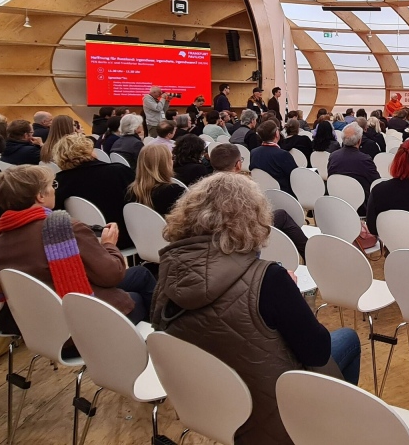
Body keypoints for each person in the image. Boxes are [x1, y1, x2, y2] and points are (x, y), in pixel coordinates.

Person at [153, 173, 362, 444]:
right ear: (253, 220)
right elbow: (317, 351)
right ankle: (334, 429)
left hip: (213, 405)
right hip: (275, 413)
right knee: (348, 339)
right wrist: (296, 298)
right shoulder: (269, 280)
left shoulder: (168, 271)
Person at [0, 165, 155, 328]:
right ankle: (157, 340)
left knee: (140, 274)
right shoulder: (62, 228)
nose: (54, 190)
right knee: (137, 295)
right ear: (40, 196)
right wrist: (109, 245)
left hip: (38, 324)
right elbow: (111, 275)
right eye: (52, 185)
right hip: (82, 324)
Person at [53, 134, 137, 249]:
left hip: (83, 243)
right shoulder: (118, 171)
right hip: (126, 236)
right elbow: (138, 203)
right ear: (89, 151)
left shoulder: (58, 182)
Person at [327, 123, 381, 213]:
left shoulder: (333, 156)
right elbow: (376, 182)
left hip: (338, 202)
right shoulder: (365, 159)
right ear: (359, 141)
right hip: (361, 206)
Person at [126, 143, 186, 216]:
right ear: (165, 164)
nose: (173, 162)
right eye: (171, 158)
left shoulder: (131, 192)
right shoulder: (175, 192)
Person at [251, 121, 299, 196]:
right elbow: (295, 176)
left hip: (261, 192)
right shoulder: (283, 154)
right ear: (276, 134)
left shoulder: (254, 152)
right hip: (284, 195)